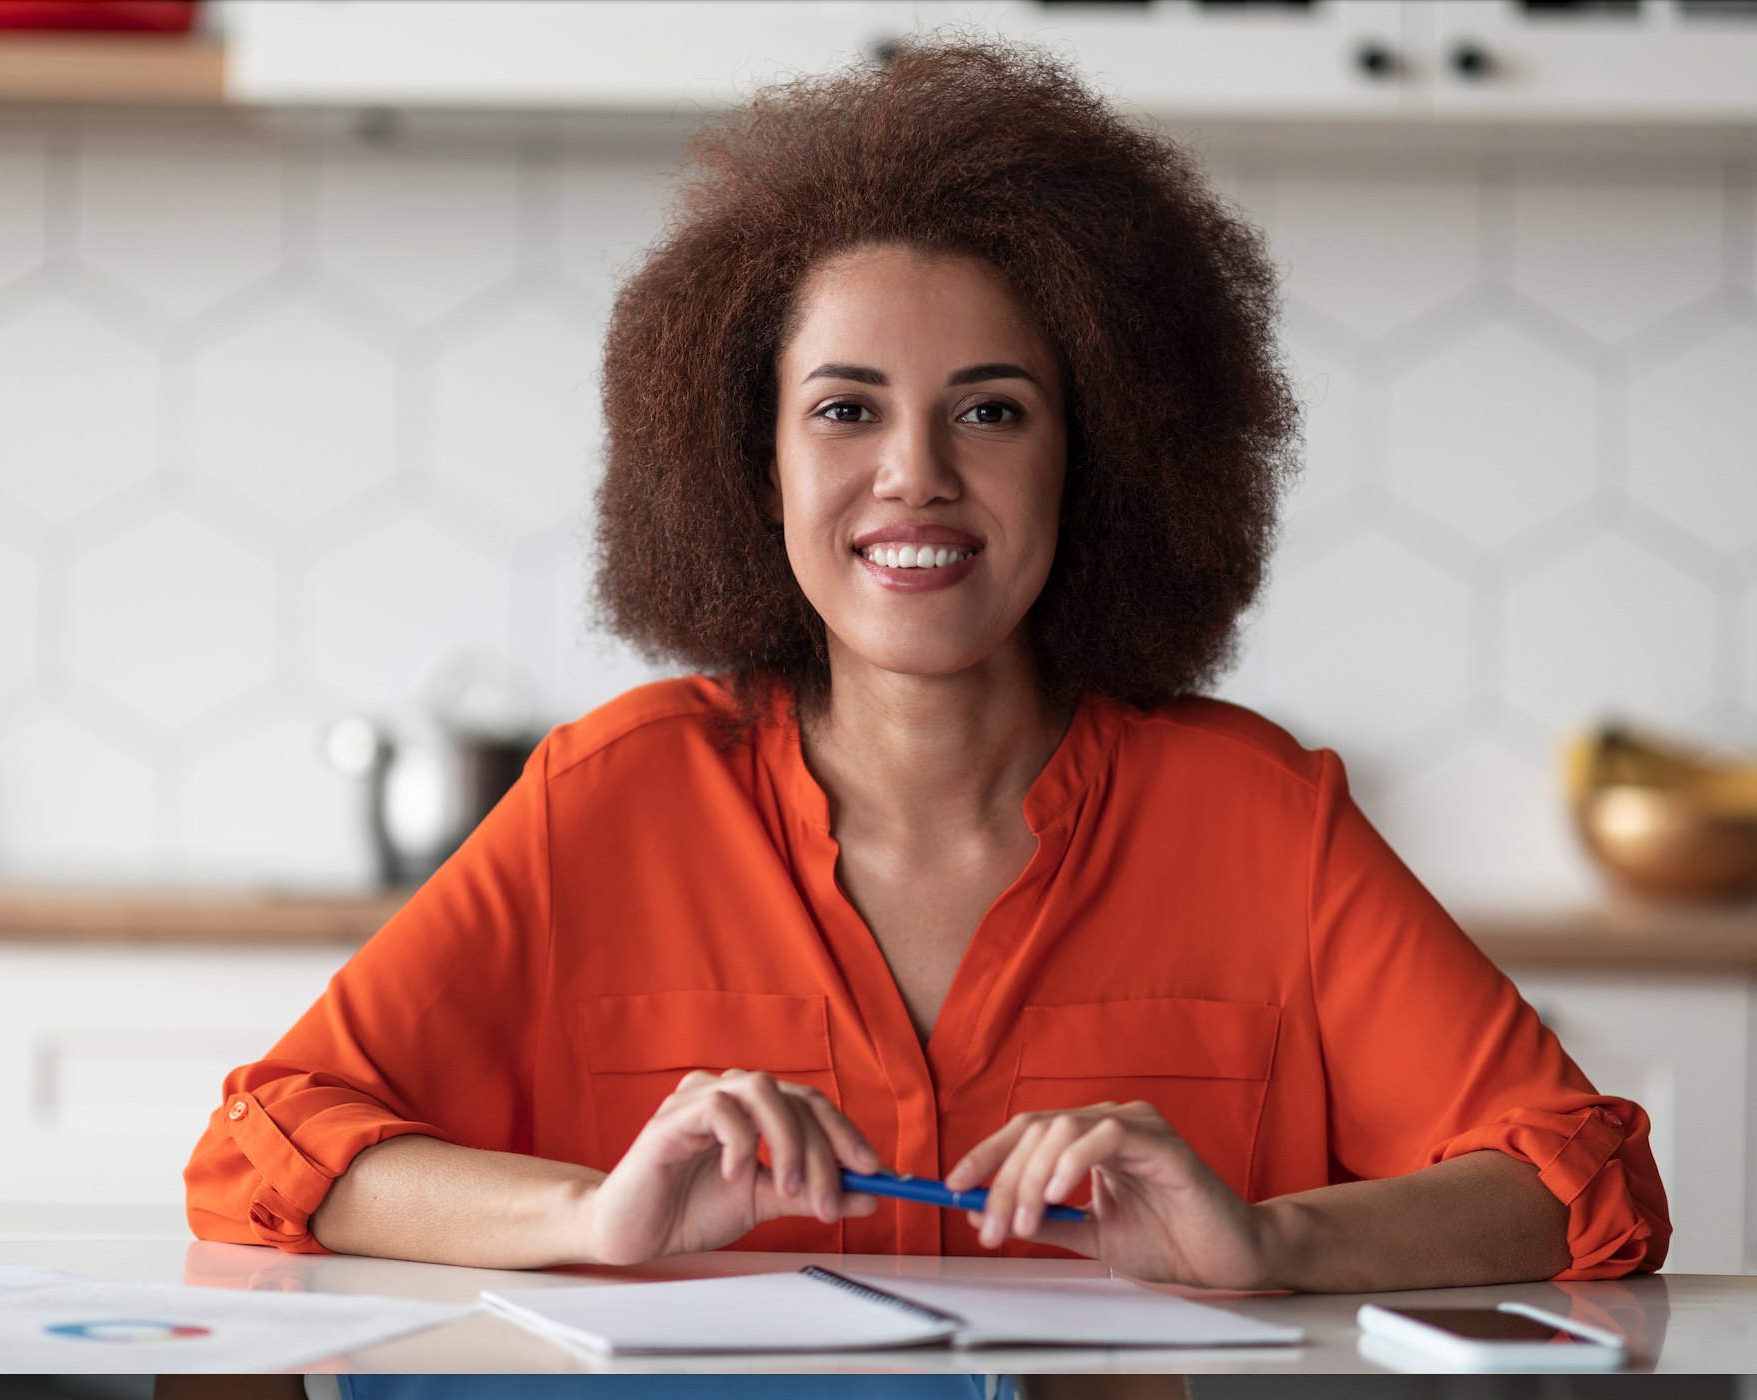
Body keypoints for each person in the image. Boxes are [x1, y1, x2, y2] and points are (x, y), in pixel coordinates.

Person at [184, 39, 1667, 1294]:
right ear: (750, 468)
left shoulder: (1261, 820)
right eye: (843, 412)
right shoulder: (609, 800)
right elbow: (266, 1148)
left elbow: (1583, 1182)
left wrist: (1262, 1238)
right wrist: (588, 1214)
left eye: (992, 412)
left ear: (1095, 460)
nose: (914, 478)